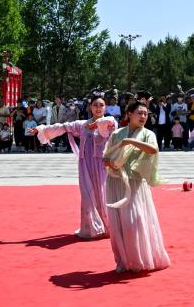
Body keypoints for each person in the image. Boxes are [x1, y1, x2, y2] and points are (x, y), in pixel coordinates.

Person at [32, 94, 118, 238]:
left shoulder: (110, 123)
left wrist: (97, 124)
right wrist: (42, 129)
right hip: (85, 165)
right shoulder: (82, 125)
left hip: (103, 165)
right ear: (90, 107)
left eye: (101, 105)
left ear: (106, 107)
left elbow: (108, 123)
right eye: (95, 105)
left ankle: (107, 226)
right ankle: (91, 228)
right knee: (87, 195)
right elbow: (63, 126)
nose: (98, 108)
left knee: (103, 194)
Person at [101, 101, 170, 273]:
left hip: (135, 183)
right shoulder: (117, 134)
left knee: (134, 222)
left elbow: (153, 150)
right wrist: (110, 163)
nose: (143, 116)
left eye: (146, 114)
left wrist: (131, 141)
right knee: (117, 225)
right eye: (139, 113)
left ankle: (138, 259)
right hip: (115, 181)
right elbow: (106, 156)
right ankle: (123, 261)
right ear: (129, 114)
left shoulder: (147, 134)